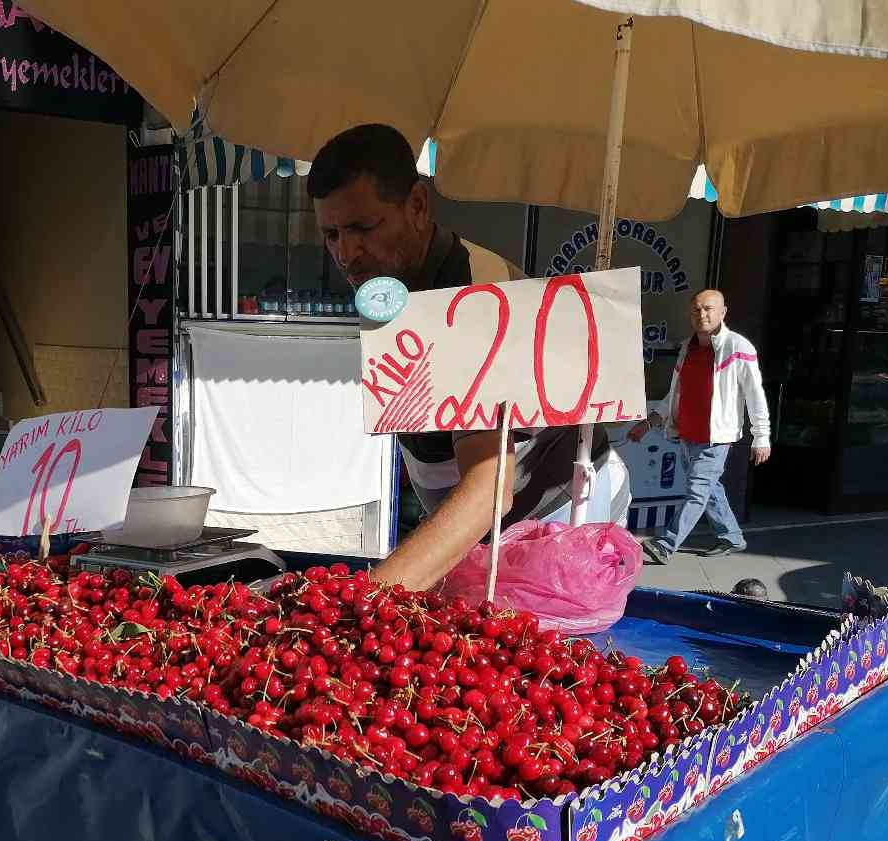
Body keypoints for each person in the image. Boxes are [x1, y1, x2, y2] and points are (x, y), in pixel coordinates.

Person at [307, 124, 626, 592]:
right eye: (330, 234)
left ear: (417, 205)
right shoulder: (391, 289)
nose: (346, 252)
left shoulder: (475, 300)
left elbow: (486, 492)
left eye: (362, 228)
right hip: (481, 529)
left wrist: (365, 601)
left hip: (554, 523)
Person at [629, 290, 770, 561]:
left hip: (715, 439)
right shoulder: (687, 348)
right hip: (686, 436)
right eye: (696, 309)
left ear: (723, 312)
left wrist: (761, 436)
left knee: (697, 491)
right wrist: (648, 424)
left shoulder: (738, 348)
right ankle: (732, 536)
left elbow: (755, 394)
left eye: (708, 308)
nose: (702, 315)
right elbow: (675, 394)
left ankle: (666, 544)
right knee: (710, 489)